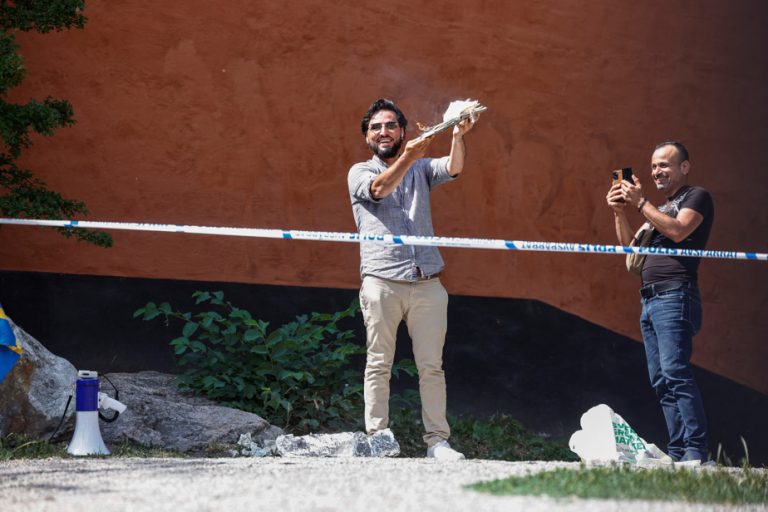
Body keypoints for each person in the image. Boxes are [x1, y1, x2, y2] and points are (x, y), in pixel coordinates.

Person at [347, 98, 478, 460]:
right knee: (378, 363)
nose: (384, 132)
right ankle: (379, 438)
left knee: (431, 367)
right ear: (367, 136)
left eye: (390, 126)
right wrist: (409, 156)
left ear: (402, 131)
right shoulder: (359, 171)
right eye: (376, 127)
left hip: (427, 282)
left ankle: (437, 442)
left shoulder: (421, 168)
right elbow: (379, 190)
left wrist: (457, 133)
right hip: (382, 281)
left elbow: (454, 167)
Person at [606, 141, 714, 462]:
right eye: (654, 166)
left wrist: (641, 204)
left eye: (665, 165)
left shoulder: (696, 197)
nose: (657, 171)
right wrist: (619, 212)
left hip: (675, 294)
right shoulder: (660, 207)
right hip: (649, 300)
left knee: (676, 372)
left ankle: (696, 451)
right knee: (661, 381)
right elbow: (630, 247)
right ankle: (680, 452)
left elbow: (679, 231)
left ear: (685, 167)